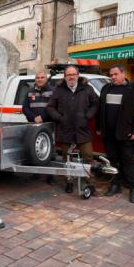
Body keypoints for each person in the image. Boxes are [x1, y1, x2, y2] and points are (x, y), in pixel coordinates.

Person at [97, 65, 134, 203]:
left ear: (123, 73)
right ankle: (115, 185)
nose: (113, 77)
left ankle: (133, 189)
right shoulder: (106, 88)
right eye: (111, 74)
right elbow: (101, 110)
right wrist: (99, 128)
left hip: (126, 134)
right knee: (112, 161)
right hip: (109, 134)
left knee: (128, 162)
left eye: (116, 74)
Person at [47, 65, 99, 193]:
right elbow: (50, 107)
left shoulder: (87, 89)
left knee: (88, 158)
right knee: (67, 159)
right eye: (68, 75)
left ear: (77, 75)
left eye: (73, 74)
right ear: (65, 77)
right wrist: (60, 118)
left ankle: (90, 183)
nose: (71, 77)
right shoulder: (58, 90)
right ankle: (69, 182)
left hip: (83, 130)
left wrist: (88, 116)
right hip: (65, 130)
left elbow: (96, 104)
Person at [22, 70, 56, 185]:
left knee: (49, 151)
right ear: (35, 79)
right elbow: (25, 108)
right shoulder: (29, 91)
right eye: (38, 77)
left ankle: (50, 176)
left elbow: (53, 107)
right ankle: (35, 174)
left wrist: (42, 117)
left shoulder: (52, 91)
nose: (40, 79)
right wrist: (34, 117)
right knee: (34, 150)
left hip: (48, 125)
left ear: (46, 79)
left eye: (42, 77)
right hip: (34, 125)